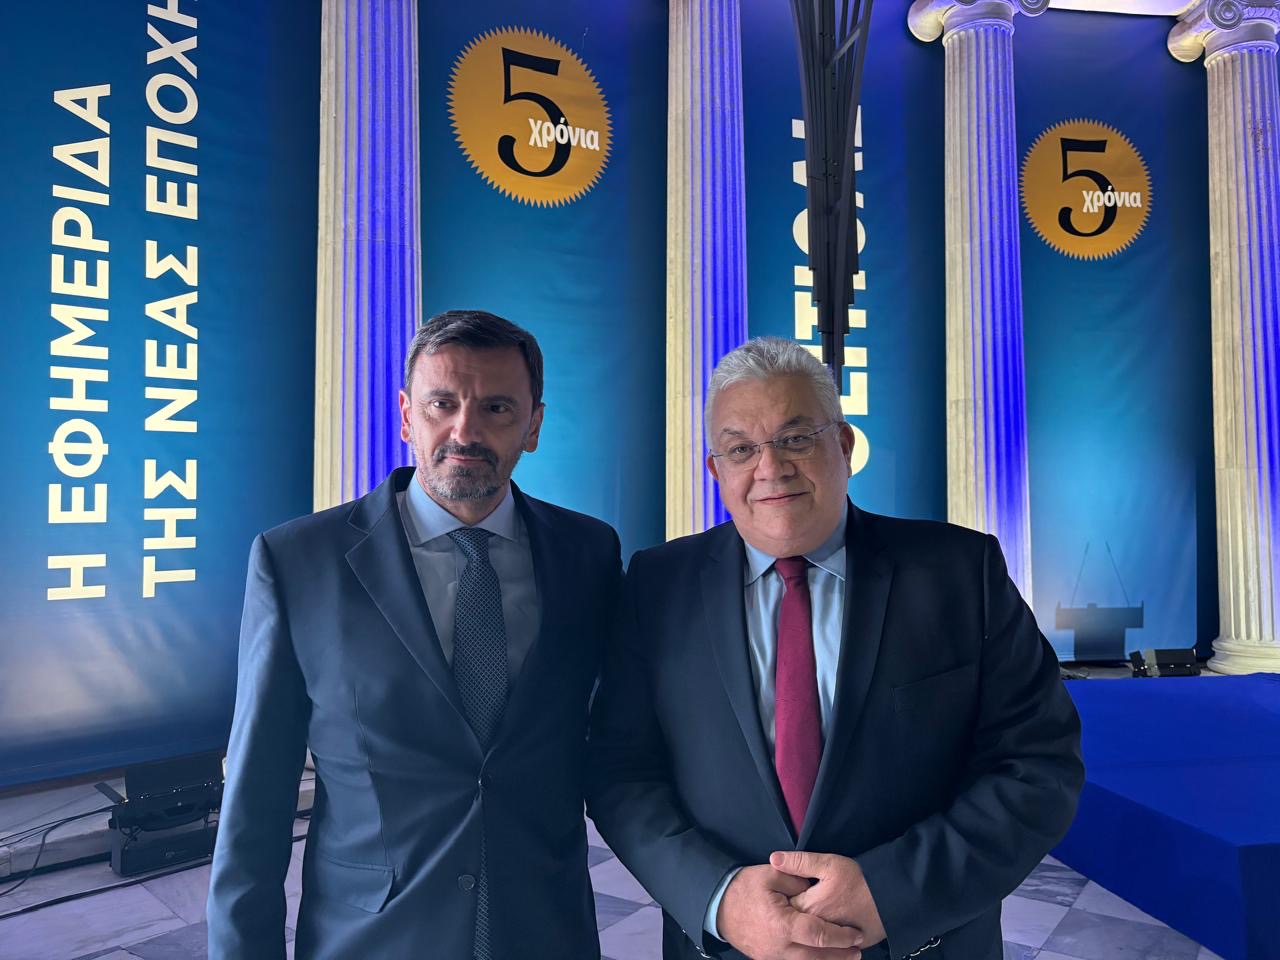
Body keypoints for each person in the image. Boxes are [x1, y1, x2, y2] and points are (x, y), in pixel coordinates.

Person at [587, 336, 1084, 960]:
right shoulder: (657, 585)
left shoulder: (961, 572)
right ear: (717, 471)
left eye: (796, 438)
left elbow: (1037, 764)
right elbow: (622, 773)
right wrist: (720, 899)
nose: (770, 467)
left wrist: (893, 892)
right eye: (741, 449)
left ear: (844, 446)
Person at [207, 310, 621, 960]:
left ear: (534, 425)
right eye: (442, 404)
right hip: (371, 940)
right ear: (406, 416)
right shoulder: (298, 563)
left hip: (546, 931)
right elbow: (256, 804)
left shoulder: (589, 554)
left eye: (497, 408)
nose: (465, 430)